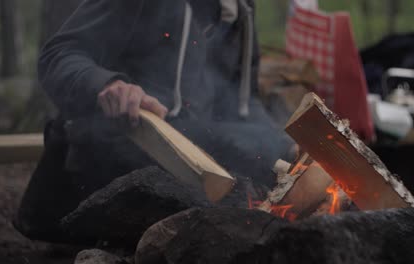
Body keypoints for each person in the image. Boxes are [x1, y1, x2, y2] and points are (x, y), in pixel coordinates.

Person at [15, 0, 294, 242]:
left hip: (196, 152)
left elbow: (244, 104)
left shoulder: (241, 7)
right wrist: (107, 85)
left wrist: (285, 146)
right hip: (113, 159)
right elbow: (58, 55)